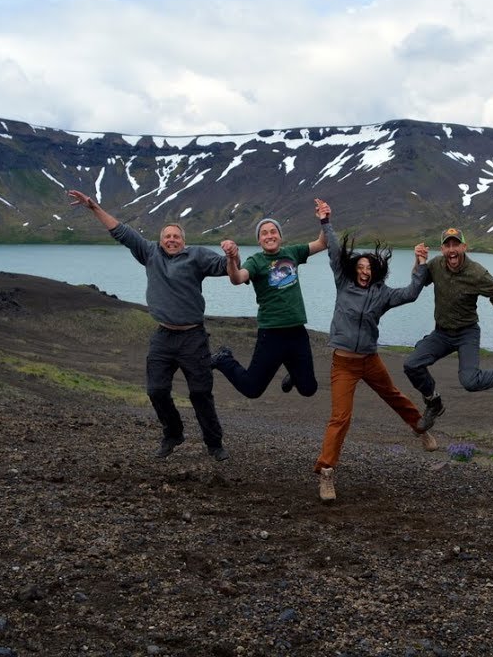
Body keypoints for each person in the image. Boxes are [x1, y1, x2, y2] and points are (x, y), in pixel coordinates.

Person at [66, 189, 233, 462]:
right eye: (167, 236)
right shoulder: (149, 253)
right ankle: (173, 433)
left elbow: (226, 268)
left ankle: (214, 444)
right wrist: (93, 207)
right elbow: (121, 231)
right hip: (163, 336)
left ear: (184, 241)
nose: (171, 240)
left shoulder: (197, 256)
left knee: (201, 392)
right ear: (160, 240)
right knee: (156, 390)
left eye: (176, 236)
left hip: (193, 337)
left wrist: (232, 254)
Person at [311, 199, 436, 503]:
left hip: (370, 359)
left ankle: (420, 428)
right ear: (354, 269)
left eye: (369, 268)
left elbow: (411, 293)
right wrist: (326, 222)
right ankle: (326, 474)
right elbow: (334, 251)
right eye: (361, 267)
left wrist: (419, 265)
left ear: (375, 271)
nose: (364, 271)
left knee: (393, 395)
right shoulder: (343, 283)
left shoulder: (382, 295)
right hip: (343, 363)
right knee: (340, 417)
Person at [403, 227, 493, 431]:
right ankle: (433, 403)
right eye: (448, 245)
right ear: (442, 248)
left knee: (470, 382)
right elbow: (418, 281)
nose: (452, 249)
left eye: (456, 245)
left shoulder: (478, 273)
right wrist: (417, 259)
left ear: (464, 246)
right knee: (412, 365)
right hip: (442, 333)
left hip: (467, 333)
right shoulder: (436, 264)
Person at [212, 200, 328, 398]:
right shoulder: (256, 261)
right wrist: (231, 259)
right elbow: (237, 278)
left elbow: (323, 243)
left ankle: (294, 372)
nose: (269, 235)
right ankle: (224, 360)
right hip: (271, 334)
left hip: (297, 332)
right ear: (259, 240)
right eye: (264, 233)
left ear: (280, 236)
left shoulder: (293, 252)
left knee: (309, 389)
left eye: (273, 231)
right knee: (252, 389)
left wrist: (325, 221)